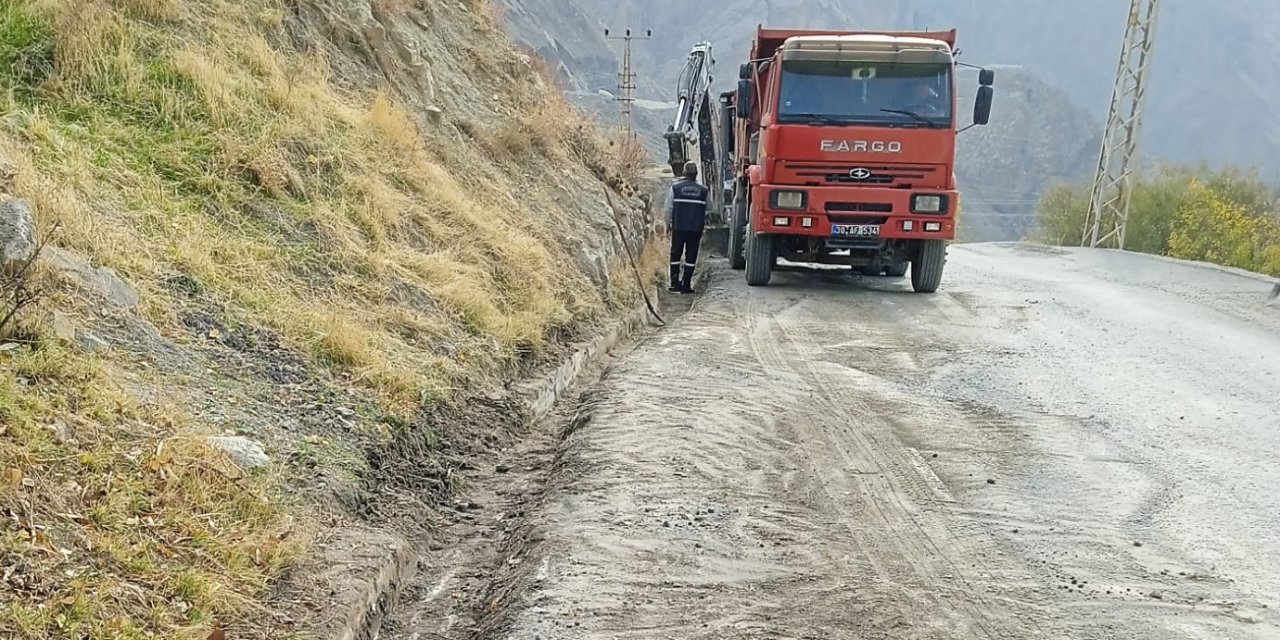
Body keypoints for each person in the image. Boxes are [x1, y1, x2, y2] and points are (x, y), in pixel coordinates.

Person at [664, 161, 709, 294]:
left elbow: (668, 209)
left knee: (675, 255)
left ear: (684, 173)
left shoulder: (675, 188)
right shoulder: (704, 191)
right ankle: (686, 285)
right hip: (695, 229)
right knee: (691, 256)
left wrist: (667, 224)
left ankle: (674, 284)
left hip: (679, 227)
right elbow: (709, 208)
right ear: (696, 174)